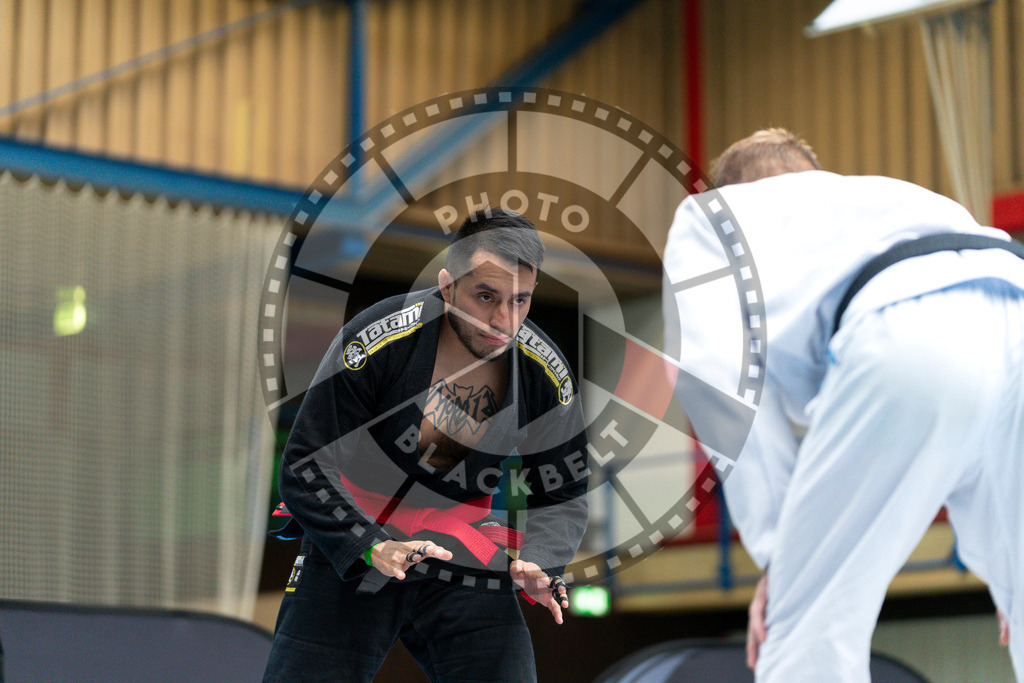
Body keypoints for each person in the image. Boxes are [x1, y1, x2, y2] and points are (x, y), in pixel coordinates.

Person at [663, 128, 1024, 681]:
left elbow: (720, 385)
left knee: (805, 631)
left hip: (906, 323)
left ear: (733, 190)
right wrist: (1005, 567)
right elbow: (966, 391)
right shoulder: (895, 200)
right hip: (1011, 293)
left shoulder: (710, 219)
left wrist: (781, 558)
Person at [263, 208, 589, 682]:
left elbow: (562, 493)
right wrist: (369, 546)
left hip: (461, 544)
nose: (504, 320)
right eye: (485, 296)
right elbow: (303, 464)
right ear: (447, 285)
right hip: (358, 526)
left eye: (521, 301)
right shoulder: (378, 339)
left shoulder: (544, 373)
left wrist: (541, 558)